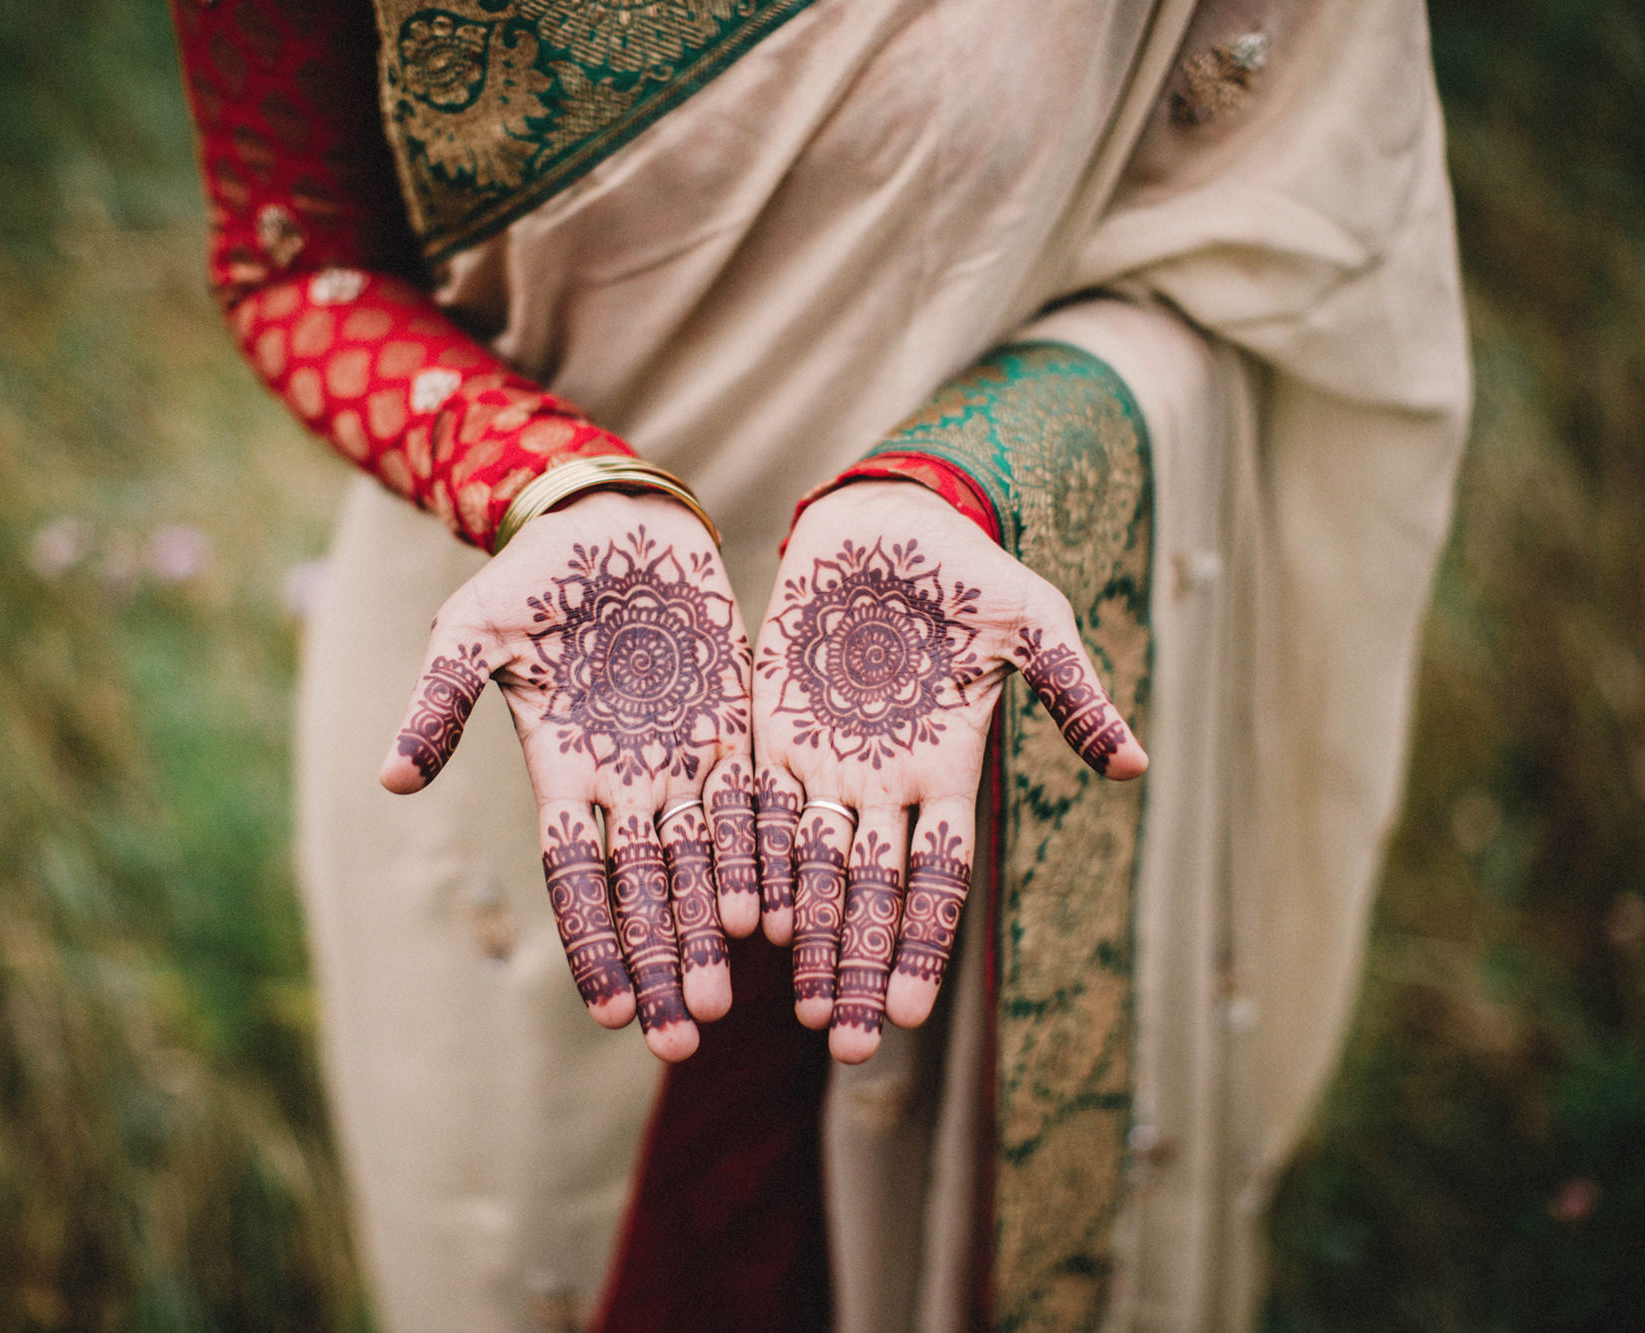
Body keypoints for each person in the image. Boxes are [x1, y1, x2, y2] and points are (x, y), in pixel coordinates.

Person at [169, 0, 1469, 1328]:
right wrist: (549, 486)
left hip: (986, 691)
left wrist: (959, 484)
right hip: (532, 693)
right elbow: (299, 261)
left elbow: (1285, 244)